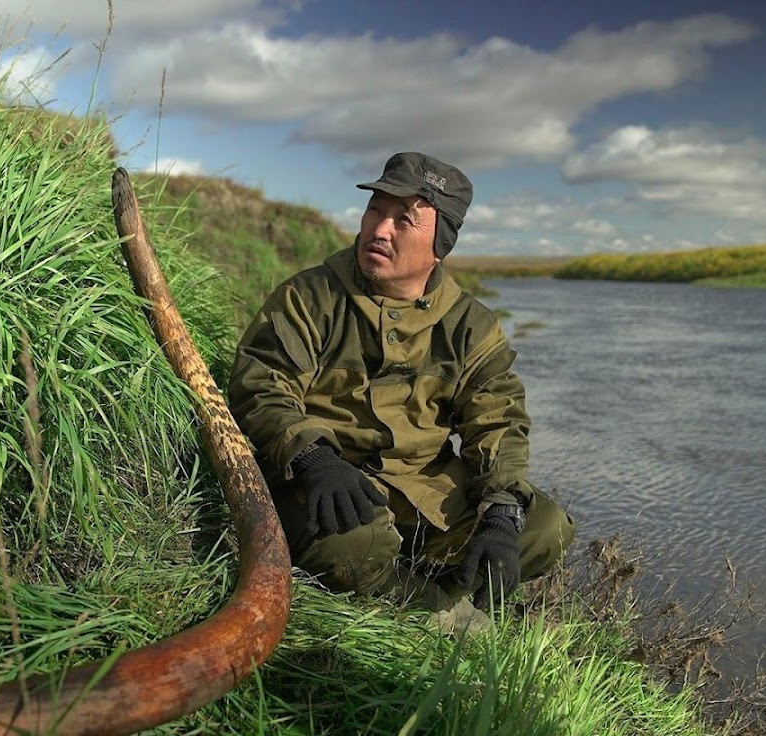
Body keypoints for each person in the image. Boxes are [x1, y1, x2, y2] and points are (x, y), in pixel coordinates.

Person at [227, 152, 575, 633]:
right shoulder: (311, 297)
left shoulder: (471, 325)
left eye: (404, 219)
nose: (380, 229)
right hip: (329, 485)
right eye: (376, 210)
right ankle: (430, 609)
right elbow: (261, 384)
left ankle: (415, 584)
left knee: (544, 528)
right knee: (352, 546)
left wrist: (500, 511)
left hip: (424, 492)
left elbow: (498, 420)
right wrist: (315, 459)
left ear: (440, 244)